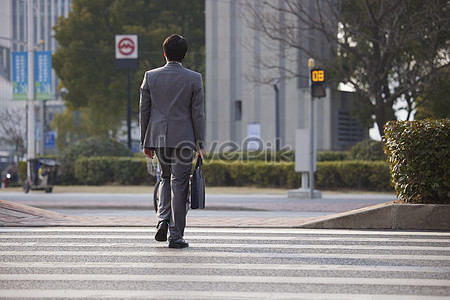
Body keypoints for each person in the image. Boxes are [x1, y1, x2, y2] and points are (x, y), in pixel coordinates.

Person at [140, 34, 205, 249]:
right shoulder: (194, 78)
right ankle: (176, 236)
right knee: (179, 185)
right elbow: (197, 114)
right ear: (184, 54)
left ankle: (162, 219)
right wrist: (200, 143)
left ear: (164, 53)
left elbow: (144, 111)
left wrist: (145, 142)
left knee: (164, 179)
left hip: (158, 137)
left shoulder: (150, 76)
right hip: (184, 139)